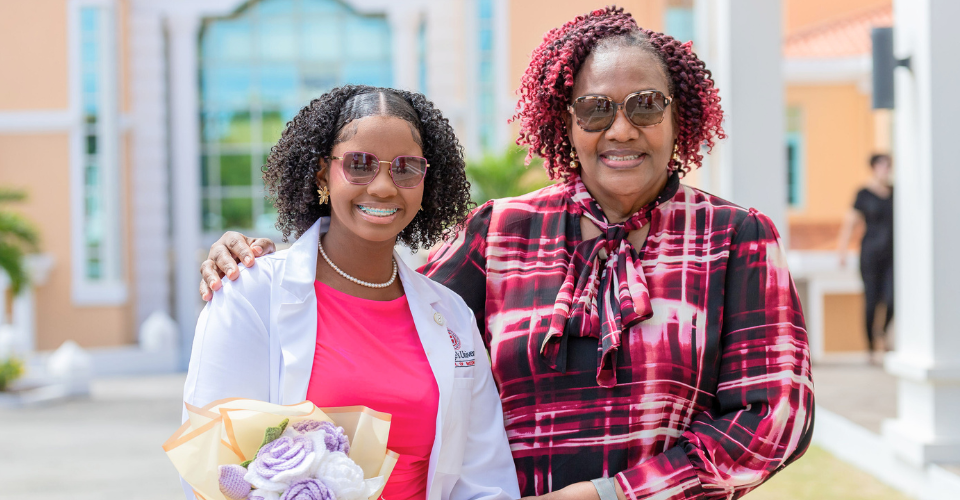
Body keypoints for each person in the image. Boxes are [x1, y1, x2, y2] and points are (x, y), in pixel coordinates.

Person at [198, 8, 814, 500]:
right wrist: (271, 265)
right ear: (563, 121)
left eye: (645, 105)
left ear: (680, 116)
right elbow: (386, 310)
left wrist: (608, 495)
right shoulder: (503, 232)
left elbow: (774, 420)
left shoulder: (736, 238)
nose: (621, 130)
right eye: (595, 108)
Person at [182, 85, 519, 500]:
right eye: (359, 164)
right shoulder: (249, 293)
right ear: (323, 172)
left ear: (426, 180)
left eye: (405, 167)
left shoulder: (452, 316)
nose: (382, 186)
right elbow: (211, 467)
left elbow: (484, 481)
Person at [837, 154, 894, 362]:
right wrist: (842, 249)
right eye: (882, 165)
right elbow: (850, 222)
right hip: (870, 254)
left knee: (892, 298)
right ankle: (870, 347)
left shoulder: (895, 193)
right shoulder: (864, 194)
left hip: (892, 256)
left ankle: (883, 330)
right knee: (871, 301)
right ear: (874, 168)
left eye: (888, 165)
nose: (886, 169)